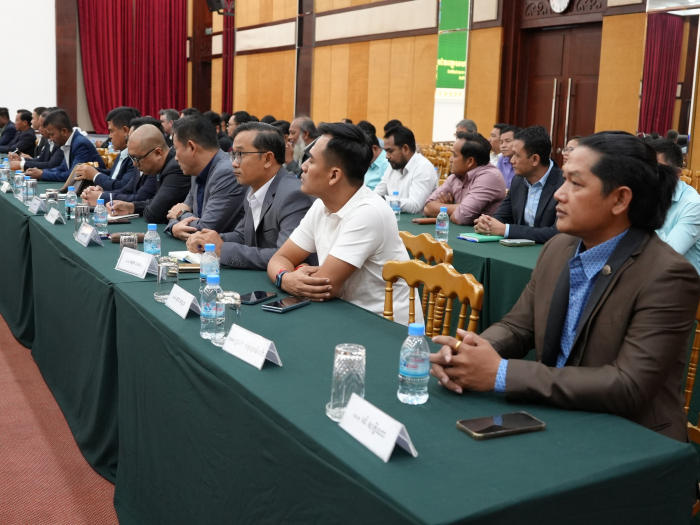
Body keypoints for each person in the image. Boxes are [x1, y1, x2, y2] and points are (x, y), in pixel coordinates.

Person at [430, 131, 699, 443]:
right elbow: (518, 326)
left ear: (620, 199)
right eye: (564, 180)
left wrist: (501, 373)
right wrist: (469, 353)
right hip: (556, 415)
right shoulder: (560, 247)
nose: (559, 193)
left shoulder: (667, 274)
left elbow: (629, 386)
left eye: (576, 183)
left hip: (631, 438)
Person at [267, 123, 417, 325]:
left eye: (311, 160)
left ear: (334, 175)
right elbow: (281, 257)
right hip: (343, 314)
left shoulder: (368, 212)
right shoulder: (321, 205)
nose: (303, 166)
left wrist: (298, 270)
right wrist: (285, 277)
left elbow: (324, 287)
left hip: (382, 326)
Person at [185, 122, 315, 270]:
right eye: (233, 155)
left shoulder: (292, 195)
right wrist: (206, 239)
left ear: (268, 159)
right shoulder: (253, 190)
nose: (234, 163)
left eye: (240, 155)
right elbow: (242, 236)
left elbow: (286, 257)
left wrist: (222, 249)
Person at [474, 125, 563, 244]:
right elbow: (502, 215)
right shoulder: (518, 180)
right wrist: (487, 223)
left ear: (535, 159)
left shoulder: (564, 184)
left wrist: (506, 230)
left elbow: (558, 233)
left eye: (516, 155)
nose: (512, 161)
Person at [165, 114, 246, 240]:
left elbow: (205, 228)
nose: (175, 158)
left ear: (192, 147)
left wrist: (181, 214)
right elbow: (175, 212)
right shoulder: (196, 170)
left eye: (176, 149)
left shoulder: (227, 172)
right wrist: (174, 227)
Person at [107, 125, 190, 224]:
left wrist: (137, 207)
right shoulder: (164, 165)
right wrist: (131, 207)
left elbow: (154, 213)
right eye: (132, 158)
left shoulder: (175, 168)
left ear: (158, 153)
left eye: (137, 158)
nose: (134, 164)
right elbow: (156, 202)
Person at [424, 132, 505, 224]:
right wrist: (460, 207)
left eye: (454, 155)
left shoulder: (489, 177)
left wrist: (444, 209)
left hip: (483, 232)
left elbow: (460, 218)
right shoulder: (457, 175)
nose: (450, 159)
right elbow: (428, 208)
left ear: (470, 161)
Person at [81, 117, 163, 206]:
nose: (128, 143)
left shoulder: (154, 163)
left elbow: (141, 198)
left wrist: (100, 196)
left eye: (130, 139)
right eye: (128, 139)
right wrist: (101, 193)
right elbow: (127, 190)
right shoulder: (137, 158)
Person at [651, 139, 700, 274]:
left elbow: (668, 255)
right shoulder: (647, 193)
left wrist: (645, 208)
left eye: (655, 168)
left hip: (680, 281)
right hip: (648, 276)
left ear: (676, 173)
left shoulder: (694, 205)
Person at [25, 109, 104, 182]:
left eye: (52, 134)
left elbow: (72, 175)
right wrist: (40, 172)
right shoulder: (70, 141)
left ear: (64, 131)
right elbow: (62, 168)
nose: (51, 139)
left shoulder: (80, 144)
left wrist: (42, 174)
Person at [73, 106, 139, 190]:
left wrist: (95, 175)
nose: (110, 136)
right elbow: (114, 175)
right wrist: (91, 170)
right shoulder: (122, 153)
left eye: (112, 131)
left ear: (125, 131)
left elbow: (123, 187)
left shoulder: (135, 157)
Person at [374, 125, 437, 213]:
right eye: (386, 151)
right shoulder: (392, 166)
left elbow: (415, 205)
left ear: (405, 149)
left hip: (415, 221)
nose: (387, 156)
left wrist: (384, 200)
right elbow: (377, 193)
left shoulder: (423, 167)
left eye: (390, 151)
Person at [357, 120, 389, 190]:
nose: (362, 155)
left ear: (375, 148)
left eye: (365, 151)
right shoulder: (368, 162)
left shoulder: (387, 164)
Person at [496, 125, 521, 189]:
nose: (503, 146)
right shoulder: (501, 159)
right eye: (501, 142)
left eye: (508, 141)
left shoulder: (524, 160)